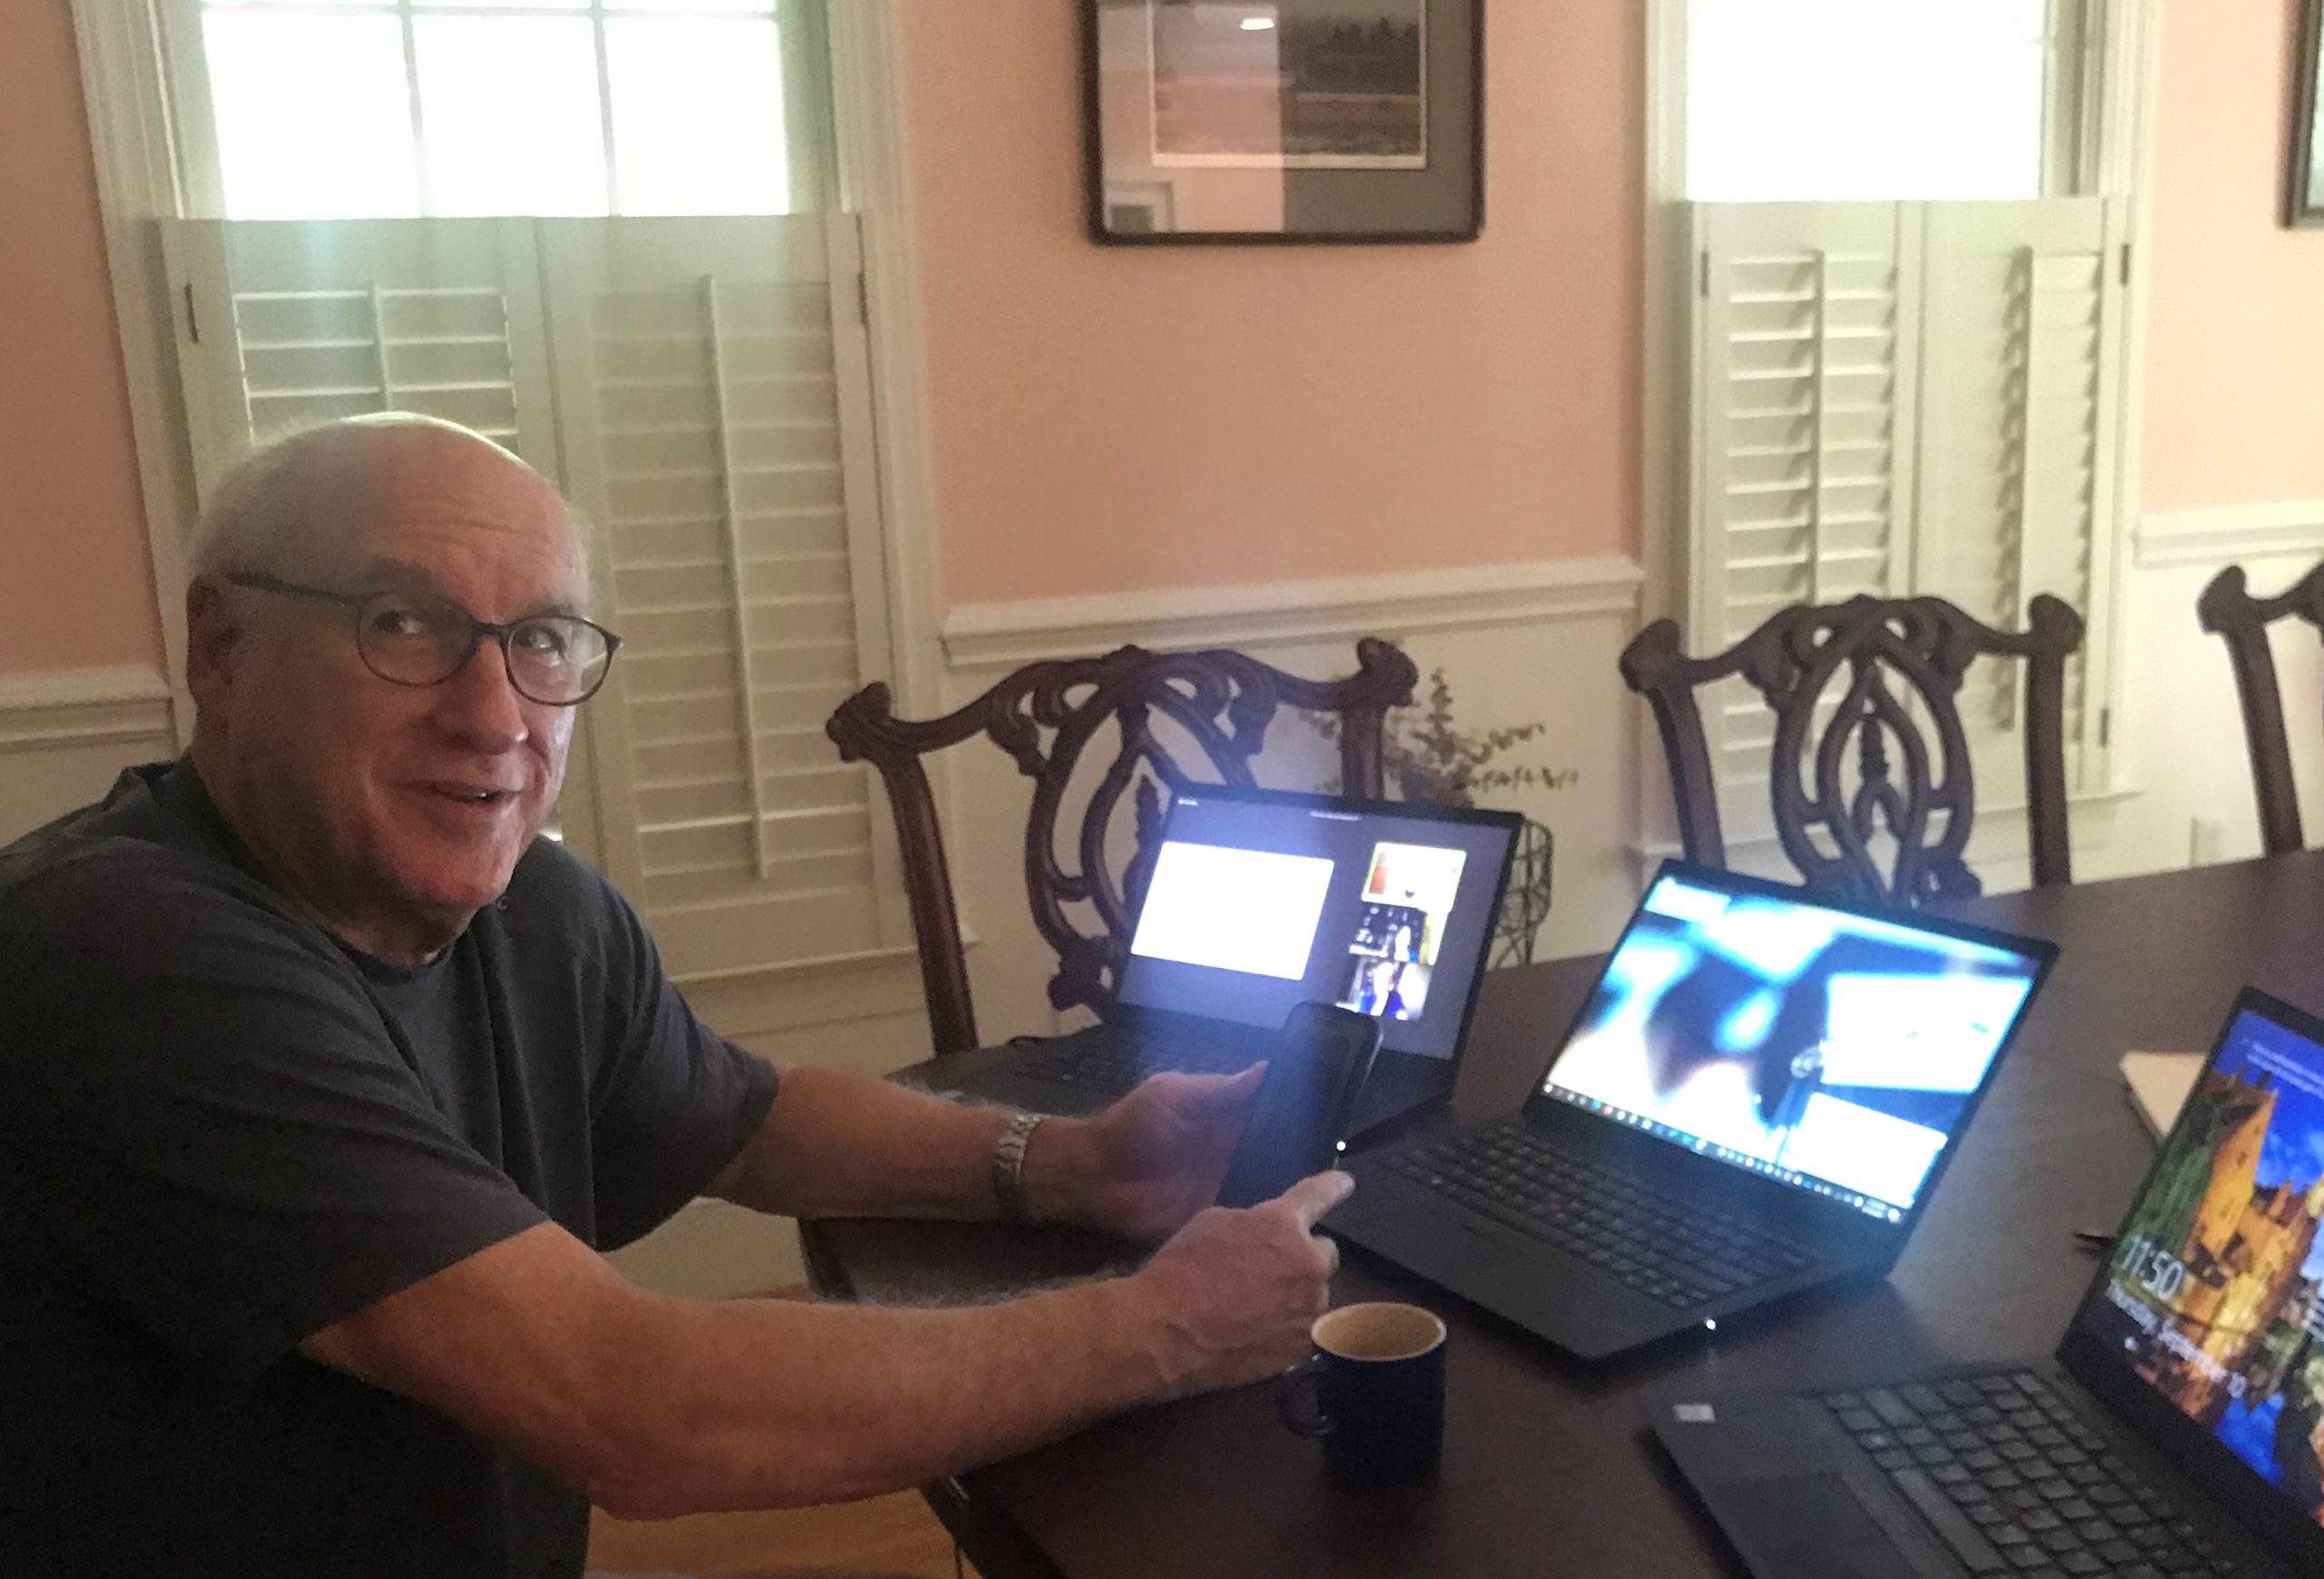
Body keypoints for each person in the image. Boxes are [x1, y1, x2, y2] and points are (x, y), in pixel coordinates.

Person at [0, 414, 1349, 1578]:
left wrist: (1072, 1167)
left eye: (541, 642)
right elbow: (637, 1407)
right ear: (222, 647)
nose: (493, 713)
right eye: (401, 623)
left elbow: (746, 1123)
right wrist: (1161, 1326)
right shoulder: (118, 951)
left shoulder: (531, 905)